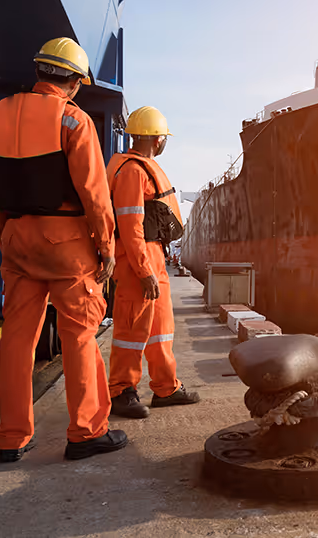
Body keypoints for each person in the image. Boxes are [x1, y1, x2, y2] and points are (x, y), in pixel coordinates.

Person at [0, 37, 128, 462]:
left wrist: (8, 235)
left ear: (40, 71)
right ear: (77, 82)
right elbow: (95, 195)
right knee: (80, 337)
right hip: (68, 247)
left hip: (17, 242)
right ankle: (85, 432)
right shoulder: (73, 120)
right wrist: (106, 249)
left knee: (16, 341)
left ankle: (11, 438)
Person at [107, 106, 200, 419]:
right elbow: (131, 225)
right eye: (163, 136)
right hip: (138, 260)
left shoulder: (140, 166)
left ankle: (166, 388)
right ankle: (121, 391)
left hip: (154, 256)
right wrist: (143, 270)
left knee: (161, 328)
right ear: (156, 138)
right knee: (131, 330)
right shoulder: (132, 171)